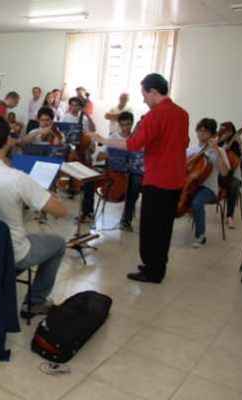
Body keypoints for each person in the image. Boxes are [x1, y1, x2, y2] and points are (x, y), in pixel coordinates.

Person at [88, 73, 189, 283]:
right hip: (177, 178)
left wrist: (102, 139)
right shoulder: (182, 113)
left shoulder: (154, 115)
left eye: (144, 94)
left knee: (151, 227)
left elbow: (132, 144)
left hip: (158, 178)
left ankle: (152, 271)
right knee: (164, 226)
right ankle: (157, 265)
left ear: (153, 92)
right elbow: (185, 142)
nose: (143, 99)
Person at [0, 115, 69, 316]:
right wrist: (46, 196)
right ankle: (35, 302)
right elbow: (61, 211)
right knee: (58, 244)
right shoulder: (17, 178)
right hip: (13, 250)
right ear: (7, 140)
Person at [187, 118, 229, 248]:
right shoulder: (191, 150)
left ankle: (201, 236)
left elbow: (224, 173)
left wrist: (216, 149)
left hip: (209, 189)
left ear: (212, 134)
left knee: (197, 202)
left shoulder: (219, 151)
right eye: (199, 130)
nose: (201, 134)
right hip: (190, 185)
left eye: (205, 131)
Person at [218, 121, 242, 229]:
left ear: (232, 132)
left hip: (234, 175)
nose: (224, 133)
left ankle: (230, 216)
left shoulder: (237, 145)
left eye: (227, 131)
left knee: (234, 185)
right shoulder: (218, 143)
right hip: (219, 174)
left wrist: (240, 140)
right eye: (222, 131)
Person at [114, 112, 143, 232]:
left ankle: (127, 219)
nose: (126, 127)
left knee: (136, 184)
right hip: (126, 170)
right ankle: (126, 219)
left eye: (129, 124)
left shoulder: (141, 139)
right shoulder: (120, 138)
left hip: (140, 171)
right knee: (134, 184)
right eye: (123, 125)